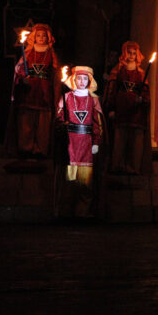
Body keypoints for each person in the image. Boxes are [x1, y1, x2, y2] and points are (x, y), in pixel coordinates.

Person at [57, 66, 104, 218]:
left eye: (85, 78)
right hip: (70, 144)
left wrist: (96, 142)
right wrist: (61, 123)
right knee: (70, 181)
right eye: (79, 78)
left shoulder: (93, 100)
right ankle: (67, 213)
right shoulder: (66, 98)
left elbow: (97, 123)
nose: (82, 81)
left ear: (89, 81)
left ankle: (84, 213)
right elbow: (58, 119)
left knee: (85, 182)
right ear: (74, 80)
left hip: (86, 144)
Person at [7, 23, 60, 159]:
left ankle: (40, 148)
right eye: (38, 35)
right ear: (33, 37)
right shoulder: (28, 52)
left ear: (48, 37)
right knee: (26, 120)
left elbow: (55, 75)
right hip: (29, 91)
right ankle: (25, 147)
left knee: (43, 122)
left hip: (44, 92)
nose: (41, 38)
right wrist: (22, 77)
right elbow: (19, 69)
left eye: (44, 36)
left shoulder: (51, 54)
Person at [104, 41, 152, 175]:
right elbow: (112, 90)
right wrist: (111, 108)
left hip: (136, 112)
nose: (131, 55)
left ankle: (133, 167)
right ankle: (118, 165)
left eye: (134, 53)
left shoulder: (142, 73)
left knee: (135, 140)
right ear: (125, 54)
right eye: (129, 53)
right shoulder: (118, 70)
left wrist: (142, 99)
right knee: (120, 138)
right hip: (121, 109)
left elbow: (145, 91)